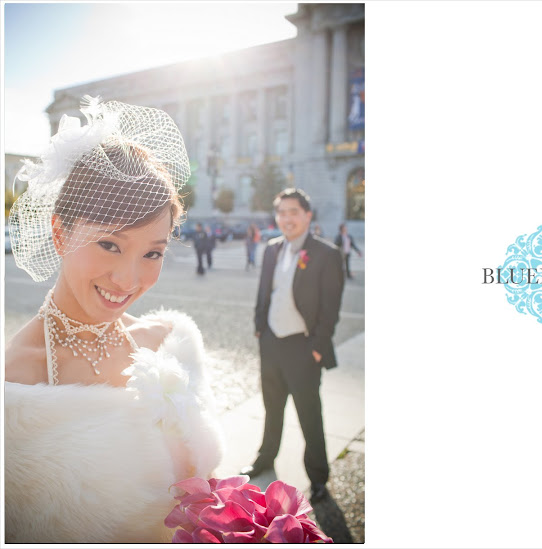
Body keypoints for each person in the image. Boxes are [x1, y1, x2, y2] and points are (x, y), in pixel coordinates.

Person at [4, 97, 224, 543]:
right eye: (109, 244)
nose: (129, 279)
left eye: (153, 253)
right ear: (60, 232)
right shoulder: (19, 378)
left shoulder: (166, 340)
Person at [240, 188, 344, 504]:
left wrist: (317, 346)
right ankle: (264, 458)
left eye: (294, 212)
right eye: (282, 212)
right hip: (271, 342)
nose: (287, 218)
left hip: (303, 347)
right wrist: (260, 328)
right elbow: (264, 293)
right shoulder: (272, 249)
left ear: (307, 216)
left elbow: (331, 308)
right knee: (272, 409)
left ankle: (318, 477)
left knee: (309, 414)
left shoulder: (326, 254)